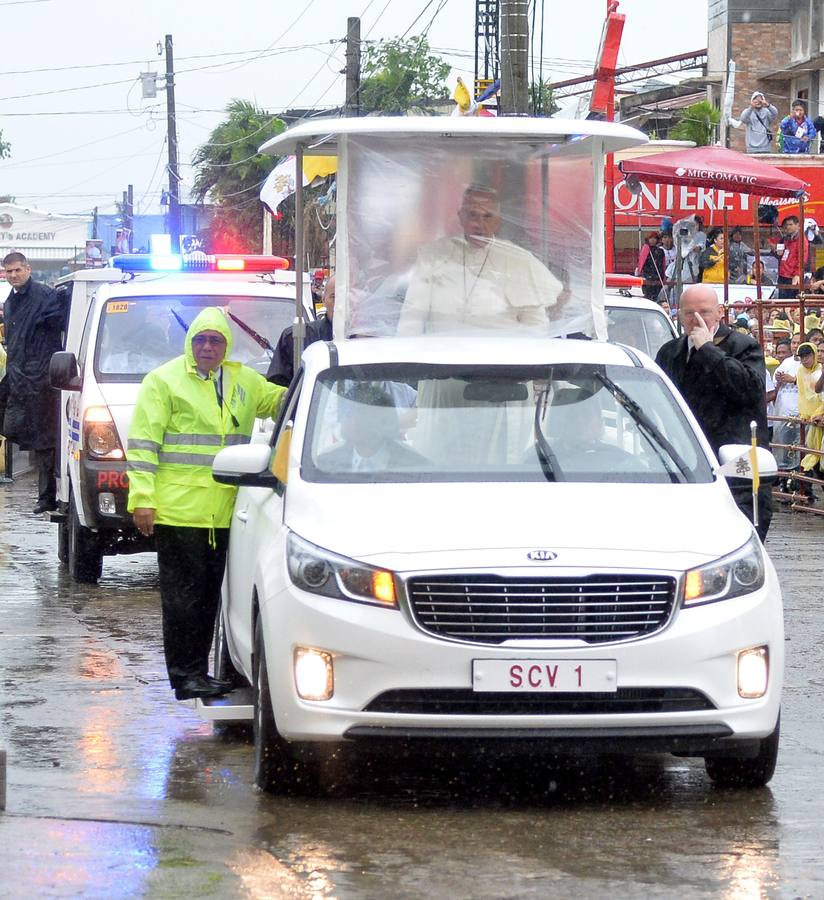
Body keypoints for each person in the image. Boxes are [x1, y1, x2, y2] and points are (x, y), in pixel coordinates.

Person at [127, 307, 286, 701]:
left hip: (225, 514)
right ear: (190, 343)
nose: (208, 347)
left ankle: (204, 671)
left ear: (226, 345)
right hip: (180, 512)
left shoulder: (243, 380)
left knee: (212, 599)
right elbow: (144, 447)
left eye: (216, 340)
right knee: (183, 602)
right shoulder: (162, 382)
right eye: (201, 340)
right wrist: (142, 500)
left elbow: (284, 402)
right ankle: (186, 675)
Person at [655, 284, 773, 540]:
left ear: (720, 313)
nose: (696, 319)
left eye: (705, 312)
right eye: (688, 313)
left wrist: (708, 351)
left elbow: (750, 390)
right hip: (685, 463)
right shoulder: (670, 352)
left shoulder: (744, 347)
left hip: (735, 466)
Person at [397, 185, 562, 335]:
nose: (479, 223)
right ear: (461, 217)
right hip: (443, 357)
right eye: (472, 214)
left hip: (501, 361)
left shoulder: (520, 260)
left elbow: (535, 323)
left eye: (487, 216)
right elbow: (412, 317)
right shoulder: (433, 255)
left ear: (498, 221)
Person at [0, 252, 66, 514]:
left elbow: (53, 332)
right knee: (17, 430)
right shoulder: (11, 301)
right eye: (9, 272)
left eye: (17, 270)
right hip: (18, 379)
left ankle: (46, 496)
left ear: (28, 269)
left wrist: (39, 375)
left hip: (42, 381)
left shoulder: (45, 296)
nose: (13, 275)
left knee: (44, 441)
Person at [267, 275, 335, 387]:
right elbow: (279, 393)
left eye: (347, 297)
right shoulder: (296, 338)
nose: (341, 304)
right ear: (323, 299)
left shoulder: (368, 341)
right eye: (334, 297)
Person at [773, 338, 801, 472]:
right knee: (784, 450)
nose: (796, 346)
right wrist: (780, 380)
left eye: (799, 342)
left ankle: (802, 485)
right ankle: (785, 481)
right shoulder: (786, 363)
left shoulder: (812, 365)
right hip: (784, 414)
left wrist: (794, 380)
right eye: (794, 343)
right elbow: (775, 388)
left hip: (801, 415)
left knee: (801, 451)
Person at [774, 215, 803, 299]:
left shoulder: (801, 239)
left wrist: (797, 274)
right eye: (787, 225)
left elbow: (802, 258)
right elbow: (780, 256)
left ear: (797, 225)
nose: (788, 227)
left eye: (791, 224)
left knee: (790, 301)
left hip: (792, 276)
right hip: (783, 274)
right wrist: (776, 251)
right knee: (782, 301)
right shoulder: (785, 239)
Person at [635, 233, 666, 301]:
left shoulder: (660, 251)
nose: (652, 240)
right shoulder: (645, 250)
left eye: (654, 238)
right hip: (647, 277)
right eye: (651, 238)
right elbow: (642, 264)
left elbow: (661, 265)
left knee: (656, 296)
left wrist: (659, 276)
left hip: (657, 277)